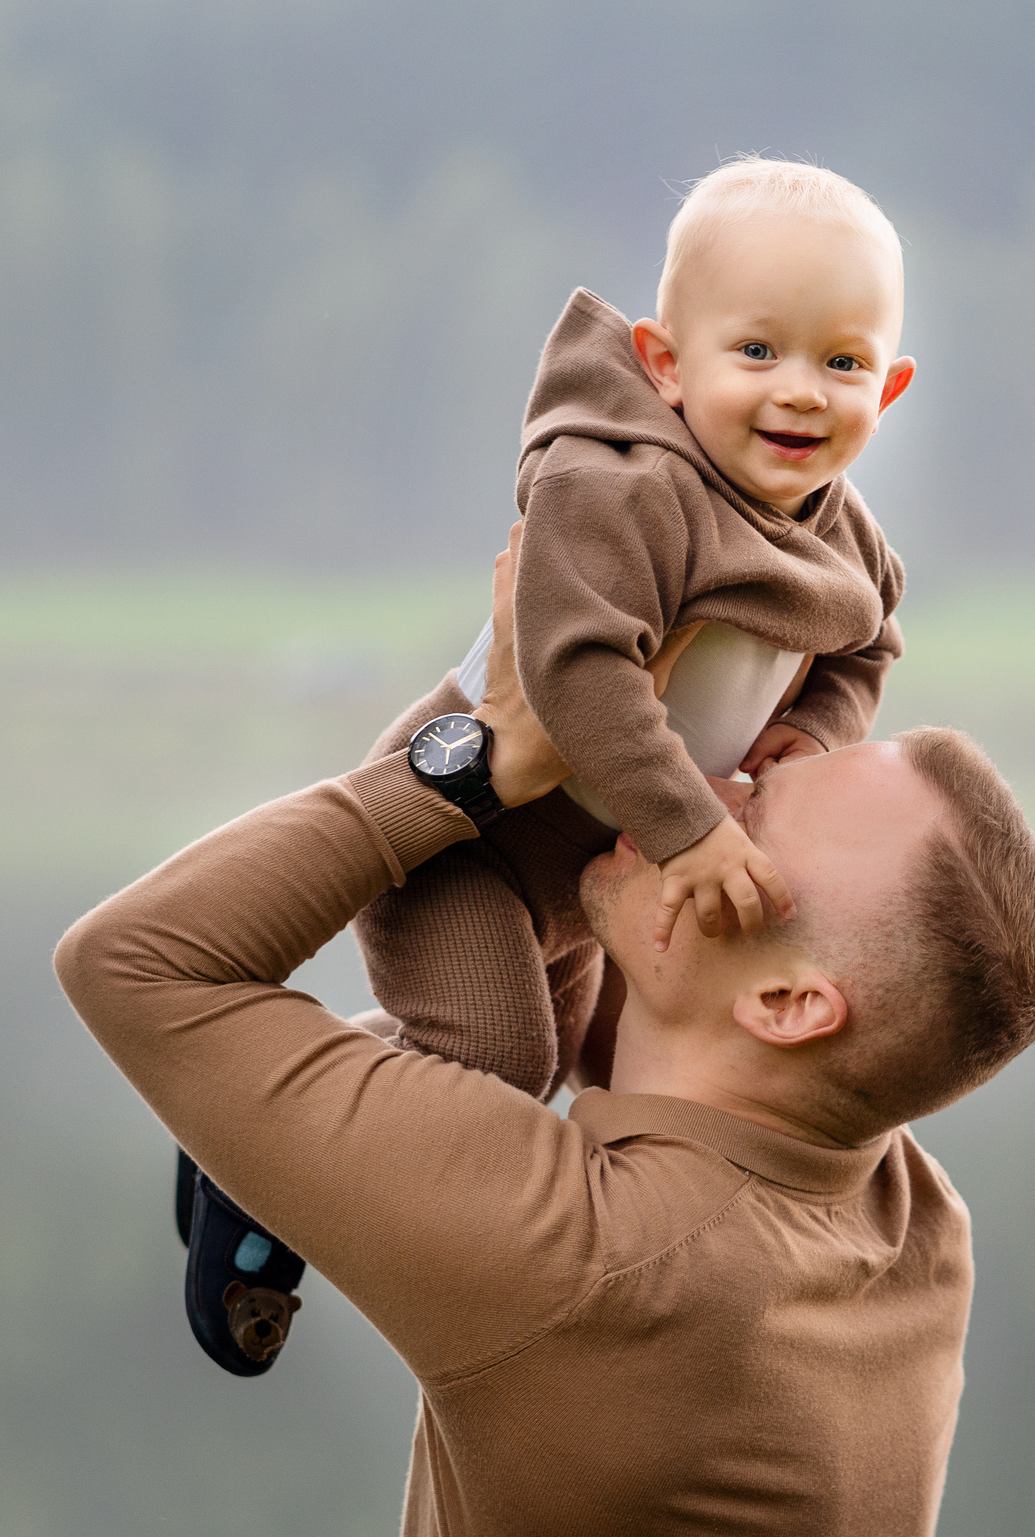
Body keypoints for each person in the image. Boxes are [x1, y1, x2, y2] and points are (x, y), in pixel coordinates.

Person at [54, 530, 1035, 1536]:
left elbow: (134, 964)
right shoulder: (902, 1209)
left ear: (789, 1008)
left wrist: (483, 755)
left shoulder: (603, 1265)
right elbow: (634, 1009)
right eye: (755, 769)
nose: (703, 794)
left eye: (748, 824)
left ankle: (274, 1143)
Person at [353, 157, 915, 1109]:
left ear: (889, 389)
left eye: (843, 363)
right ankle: (262, 1136)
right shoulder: (623, 487)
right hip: (468, 835)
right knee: (497, 1065)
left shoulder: (841, 529)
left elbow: (868, 643)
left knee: (565, 1061)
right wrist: (691, 831)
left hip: (586, 874)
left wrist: (818, 729)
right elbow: (576, 670)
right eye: (757, 352)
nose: (805, 391)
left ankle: (321, 1078)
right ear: (666, 365)